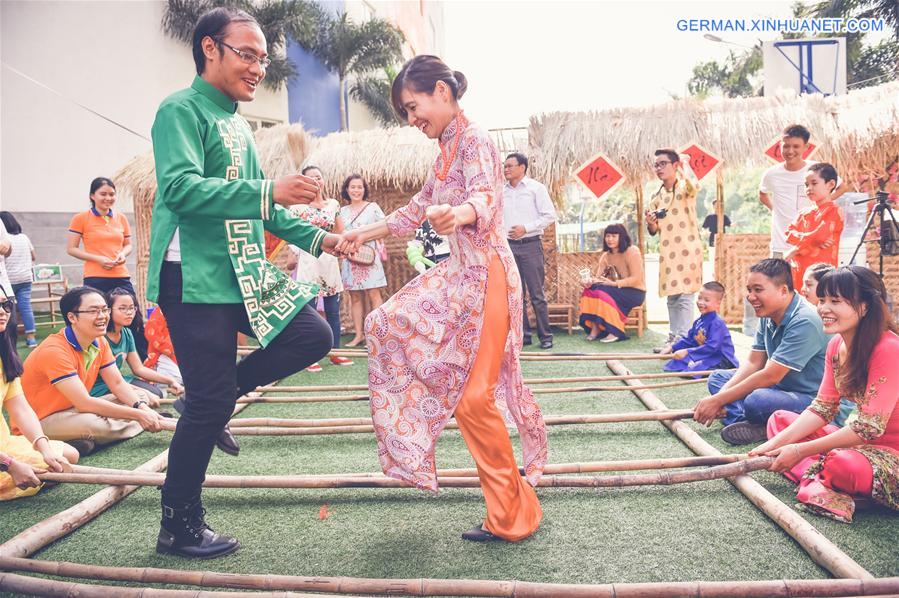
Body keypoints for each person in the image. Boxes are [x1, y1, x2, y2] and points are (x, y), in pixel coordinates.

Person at [147, 7, 348, 558]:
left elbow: (266, 207)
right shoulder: (178, 111)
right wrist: (270, 195)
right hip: (192, 276)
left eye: (263, 57)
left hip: (243, 268)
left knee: (314, 336)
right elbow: (183, 189)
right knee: (211, 405)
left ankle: (207, 402)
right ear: (210, 49)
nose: (258, 67)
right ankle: (178, 524)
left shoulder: (237, 124)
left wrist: (323, 240)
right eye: (247, 53)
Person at [343, 55, 547, 543]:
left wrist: (458, 213)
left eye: (414, 107)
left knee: (475, 399)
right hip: (458, 278)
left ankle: (514, 515)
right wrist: (354, 234)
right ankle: (514, 510)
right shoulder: (445, 152)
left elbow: (485, 199)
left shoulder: (475, 140)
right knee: (384, 324)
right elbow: (410, 213)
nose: (413, 120)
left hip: (488, 276)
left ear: (442, 91)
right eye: (407, 113)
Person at [750, 266, 899, 523]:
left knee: (843, 465)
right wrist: (771, 446)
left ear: (864, 306)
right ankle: (822, 480)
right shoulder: (836, 344)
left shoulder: (889, 349)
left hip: (889, 454)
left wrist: (797, 450)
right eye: (822, 300)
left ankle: (818, 477)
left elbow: (866, 429)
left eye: (835, 301)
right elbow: (822, 408)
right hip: (857, 445)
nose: (823, 309)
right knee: (780, 420)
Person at [18, 287, 165, 457]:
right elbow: (84, 403)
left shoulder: (100, 341)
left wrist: (141, 407)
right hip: (40, 420)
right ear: (72, 317)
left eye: (104, 309)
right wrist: (140, 415)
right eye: (94, 311)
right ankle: (136, 424)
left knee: (140, 397)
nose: (103, 316)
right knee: (94, 424)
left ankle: (79, 440)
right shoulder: (54, 350)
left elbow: (117, 384)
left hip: (72, 409)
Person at [694, 259, 828, 445]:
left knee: (757, 400)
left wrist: (719, 401)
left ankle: (754, 421)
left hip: (813, 400)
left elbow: (770, 376)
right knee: (718, 378)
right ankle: (756, 425)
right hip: (781, 389)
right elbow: (753, 363)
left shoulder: (805, 320)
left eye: (758, 290)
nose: (751, 296)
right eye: (749, 290)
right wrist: (719, 398)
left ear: (783, 290)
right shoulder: (768, 314)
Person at [0, 287, 79, 501]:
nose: (3, 312)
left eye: (5, 305)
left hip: (3, 443)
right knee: (48, 469)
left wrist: (44, 448)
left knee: (66, 456)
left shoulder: (4, 355)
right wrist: (10, 465)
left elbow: (21, 408)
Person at [66, 178, 147, 360]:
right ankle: (98, 363)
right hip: (95, 278)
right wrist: (98, 259)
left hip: (121, 276)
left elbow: (128, 245)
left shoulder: (121, 218)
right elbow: (71, 249)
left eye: (111, 194)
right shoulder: (81, 218)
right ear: (92, 196)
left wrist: (123, 255)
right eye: (103, 194)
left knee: (134, 319)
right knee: (97, 319)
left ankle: (147, 364)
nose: (108, 198)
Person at [285, 166, 353, 371]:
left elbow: (341, 232)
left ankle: (336, 353)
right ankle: (309, 357)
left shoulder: (333, 205)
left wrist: (343, 248)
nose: (316, 180)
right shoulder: (296, 208)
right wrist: (293, 255)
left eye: (319, 177)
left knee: (333, 309)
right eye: (311, 178)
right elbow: (290, 234)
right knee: (311, 311)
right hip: (307, 259)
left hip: (329, 261)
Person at [759, 124, 846, 259]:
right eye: (786, 146)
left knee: (807, 278)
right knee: (776, 278)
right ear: (780, 146)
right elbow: (762, 194)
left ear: (806, 147)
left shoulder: (815, 170)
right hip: (780, 242)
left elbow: (842, 187)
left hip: (810, 243)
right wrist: (775, 210)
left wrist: (822, 204)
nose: (790, 151)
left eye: (796, 146)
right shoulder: (771, 174)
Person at [646, 149, 703, 345]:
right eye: (656, 165)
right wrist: (650, 221)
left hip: (688, 250)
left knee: (685, 295)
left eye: (663, 164)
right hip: (668, 252)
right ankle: (673, 337)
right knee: (672, 297)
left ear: (675, 165)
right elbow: (653, 230)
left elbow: (696, 184)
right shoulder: (656, 195)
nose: (659, 168)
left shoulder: (685, 188)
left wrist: (685, 163)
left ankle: (683, 339)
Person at [90, 288, 184, 402]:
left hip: (119, 380)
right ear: (108, 310)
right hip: (98, 386)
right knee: (143, 396)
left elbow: (138, 369)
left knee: (156, 393)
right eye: (122, 308)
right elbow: (111, 380)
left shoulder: (127, 333)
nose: (129, 312)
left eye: (131, 308)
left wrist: (171, 381)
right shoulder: (99, 337)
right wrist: (143, 392)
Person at [502, 152, 557, 349]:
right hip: (508, 248)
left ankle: (546, 336)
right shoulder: (501, 191)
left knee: (537, 294)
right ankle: (523, 336)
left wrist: (526, 228)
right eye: (505, 166)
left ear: (522, 168)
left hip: (531, 245)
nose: (506, 169)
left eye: (510, 166)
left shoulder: (536, 188)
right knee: (516, 295)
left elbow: (550, 215)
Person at [339, 174, 387, 348]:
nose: (356, 190)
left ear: (364, 189)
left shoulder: (373, 208)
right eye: (353, 187)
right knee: (355, 297)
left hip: (369, 257)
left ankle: (375, 336)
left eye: (360, 187)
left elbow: (384, 229)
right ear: (346, 189)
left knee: (374, 294)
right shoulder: (342, 212)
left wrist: (365, 236)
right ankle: (358, 335)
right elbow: (338, 234)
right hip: (350, 258)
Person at [578, 223, 646, 343]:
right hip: (616, 290)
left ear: (622, 237)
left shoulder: (632, 251)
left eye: (614, 236)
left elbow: (637, 278)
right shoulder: (606, 256)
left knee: (601, 291)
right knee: (591, 289)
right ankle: (595, 327)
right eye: (608, 236)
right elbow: (599, 279)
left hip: (635, 292)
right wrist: (587, 282)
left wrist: (615, 284)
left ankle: (615, 331)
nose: (610, 239)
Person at [784, 163, 844, 292]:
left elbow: (820, 236)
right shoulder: (804, 212)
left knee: (820, 302)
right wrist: (811, 242)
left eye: (814, 183)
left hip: (821, 273)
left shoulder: (833, 211)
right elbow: (788, 233)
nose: (809, 188)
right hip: (799, 269)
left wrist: (795, 250)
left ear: (830, 184)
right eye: (806, 185)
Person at [662, 281, 738, 375]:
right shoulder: (698, 321)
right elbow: (689, 340)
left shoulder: (717, 323)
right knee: (675, 363)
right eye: (699, 298)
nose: (701, 302)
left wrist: (687, 352)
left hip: (719, 358)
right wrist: (672, 347)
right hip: (704, 354)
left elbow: (711, 347)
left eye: (706, 300)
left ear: (718, 303)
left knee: (693, 370)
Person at [0, 212, 37, 347]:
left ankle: (10, 339)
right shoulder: (24, 237)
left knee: (8, 311)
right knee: (26, 307)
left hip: (9, 280)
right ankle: (31, 338)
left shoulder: (5, 239)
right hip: (26, 278)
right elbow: (34, 256)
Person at [143, 307, 182, 386]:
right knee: (180, 378)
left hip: (177, 352)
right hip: (161, 353)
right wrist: (170, 348)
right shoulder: (160, 312)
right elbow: (151, 333)